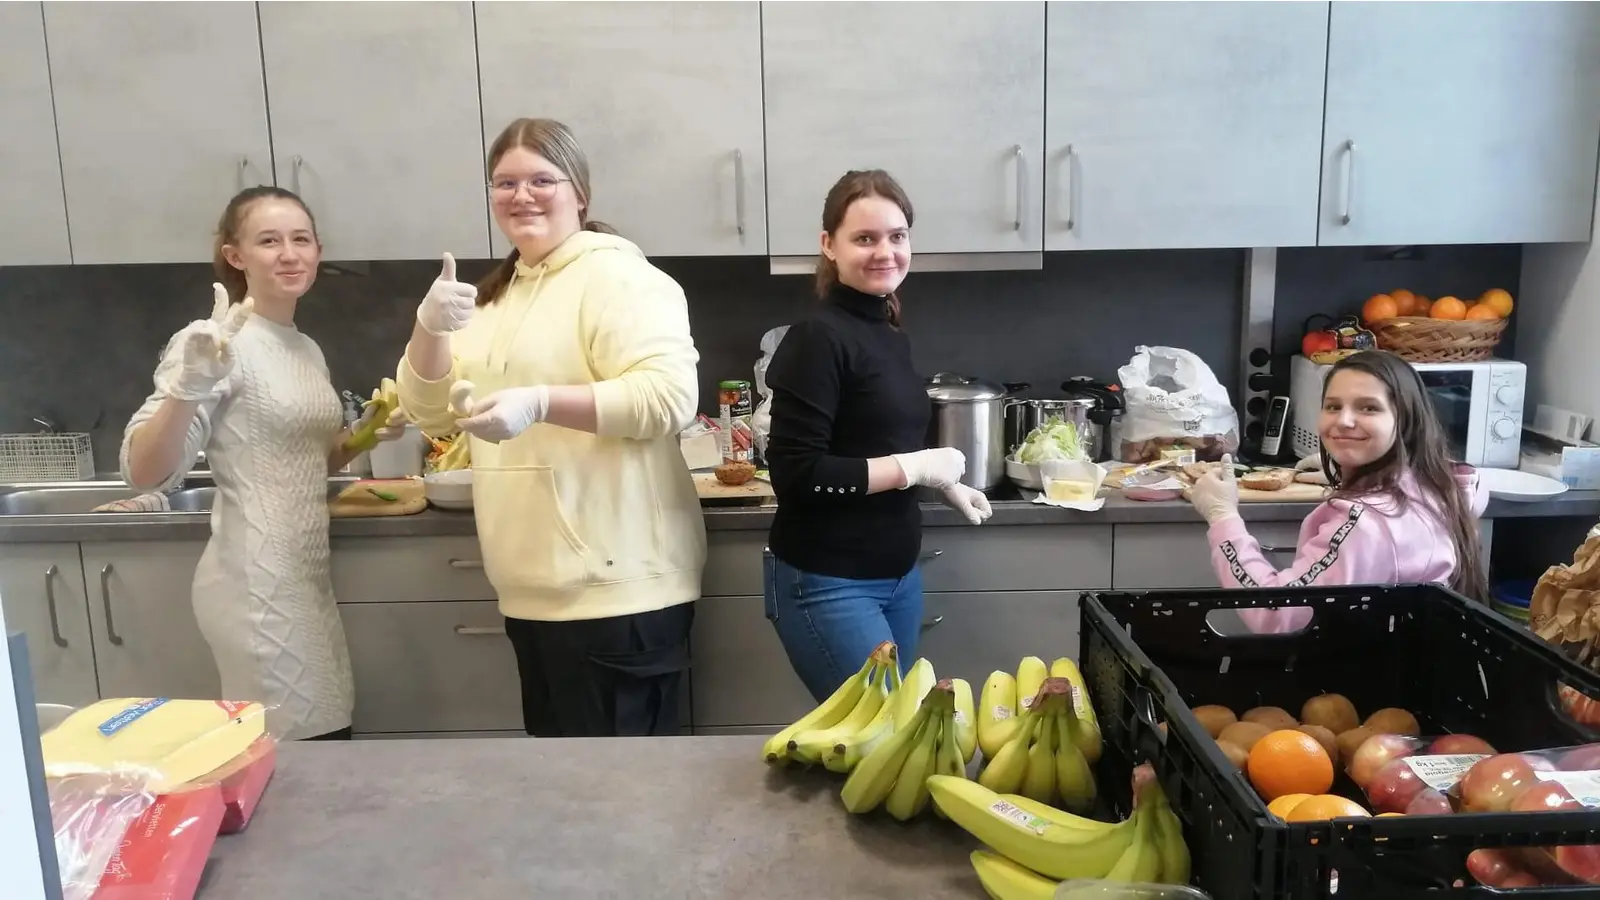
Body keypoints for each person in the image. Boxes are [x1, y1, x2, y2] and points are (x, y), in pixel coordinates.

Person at [395, 117, 704, 737]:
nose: (521, 195)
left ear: (579, 193)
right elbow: (430, 414)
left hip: (620, 590)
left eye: (542, 179)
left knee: (627, 799)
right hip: (532, 587)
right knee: (564, 798)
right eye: (504, 182)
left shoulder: (620, 278)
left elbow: (669, 397)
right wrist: (428, 328)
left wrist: (538, 402)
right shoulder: (495, 297)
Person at [120, 186, 408, 741]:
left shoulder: (303, 347)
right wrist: (189, 385)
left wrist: (362, 436)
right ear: (236, 256)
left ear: (319, 251)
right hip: (254, 587)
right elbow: (146, 473)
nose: (289, 254)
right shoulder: (214, 342)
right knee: (297, 756)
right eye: (269, 241)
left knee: (325, 738)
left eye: (301, 240)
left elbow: (303, 459)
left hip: (305, 579)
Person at [762, 169, 993, 702]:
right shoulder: (817, 339)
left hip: (897, 578)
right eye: (864, 238)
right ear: (829, 245)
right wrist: (916, 469)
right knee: (882, 743)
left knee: (897, 747)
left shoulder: (887, 332)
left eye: (897, 236)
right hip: (827, 582)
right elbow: (797, 476)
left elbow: (870, 442)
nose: (884, 251)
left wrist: (938, 482)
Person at [1189, 349, 1489, 632]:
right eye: (1333, 406)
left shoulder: (1365, 524)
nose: (1343, 421)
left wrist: (1222, 516)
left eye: (1368, 408)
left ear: (1405, 421)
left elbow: (1275, 614)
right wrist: (1349, 474)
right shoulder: (1446, 486)